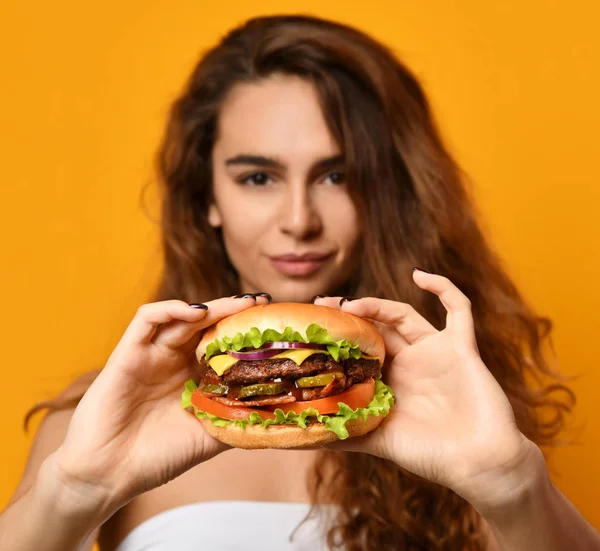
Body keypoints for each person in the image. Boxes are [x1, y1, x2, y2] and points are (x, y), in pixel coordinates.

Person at [1, 14, 598, 551]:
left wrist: (511, 484)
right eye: (258, 177)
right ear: (207, 196)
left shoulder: (457, 412)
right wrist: (78, 486)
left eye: (336, 175)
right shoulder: (104, 418)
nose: (298, 220)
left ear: (387, 194)